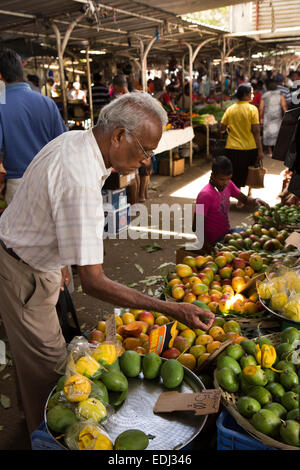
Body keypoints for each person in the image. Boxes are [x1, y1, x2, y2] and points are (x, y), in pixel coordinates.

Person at [0, 91, 214, 436]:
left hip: (24, 256)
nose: (146, 162)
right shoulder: (79, 179)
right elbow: (95, 282)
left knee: (34, 362)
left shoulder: (75, 141)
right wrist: (170, 308)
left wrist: (60, 262)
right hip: (22, 273)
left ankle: (33, 418)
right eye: (145, 150)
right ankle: (47, 437)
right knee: (52, 376)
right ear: (118, 136)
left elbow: (48, 206)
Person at [0, 48, 67, 204]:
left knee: (19, 229)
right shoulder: (47, 103)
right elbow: (64, 143)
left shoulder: (1, 104)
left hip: (19, 184)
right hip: (50, 181)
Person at [192, 156, 269, 251]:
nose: (225, 183)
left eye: (228, 178)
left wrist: (255, 200)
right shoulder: (204, 195)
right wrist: (209, 248)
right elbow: (196, 227)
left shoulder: (229, 184)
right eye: (222, 179)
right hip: (214, 241)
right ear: (212, 175)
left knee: (254, 236)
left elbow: (244, 199)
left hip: (227, 234)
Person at [220, 84, 265, 207]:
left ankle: (237, 198)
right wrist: (260, 151)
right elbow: (256, 131)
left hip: (232, 147)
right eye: (251, 93)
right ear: (245, 94)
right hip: (249, 147)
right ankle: (246, 196)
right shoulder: (252, 109)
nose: (253, 95)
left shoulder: (230, 109)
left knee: (234, 174)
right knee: (249, 172)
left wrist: (230, 128)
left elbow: (221, 128)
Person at [259, 80, 287, 157]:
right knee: (277, 133)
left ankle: (270, 151)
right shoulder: (280, 95)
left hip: (268, 116)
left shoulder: (264, 95)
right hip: (277, 117)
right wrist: (286, 116)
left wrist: (261, 117)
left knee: (268, 134)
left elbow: (261, 108)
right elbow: (284, 106)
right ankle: (276, 151)